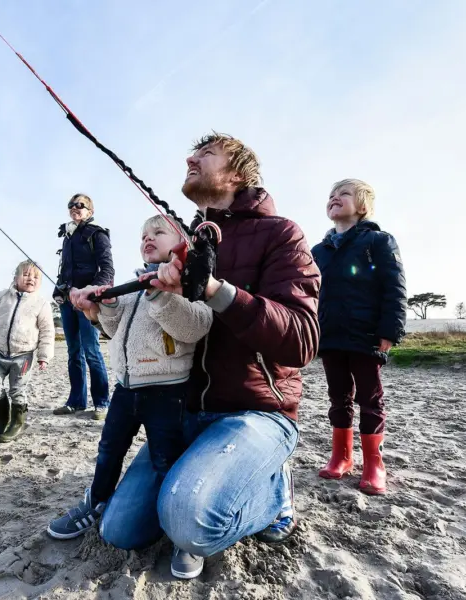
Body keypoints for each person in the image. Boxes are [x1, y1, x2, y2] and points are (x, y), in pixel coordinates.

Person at [73, 133, 321, 579]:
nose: (190, 157)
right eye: (192, 152)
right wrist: (98, 312)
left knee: (188, 522)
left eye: (206, 154)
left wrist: (215, 289)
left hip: (257, 412)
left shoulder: (281, 233)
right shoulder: (180, 241)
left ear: (238, 173)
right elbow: (148, 330)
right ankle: (196, 479)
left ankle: (271, 487)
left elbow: (302, 340)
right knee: (119, 529)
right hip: (179, 412)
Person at [47, 215, 212, 549]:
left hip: (167, 391)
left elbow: (194, 328)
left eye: (158, 232)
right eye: (143, 235)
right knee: (108, 449)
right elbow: (111, 328)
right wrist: (104, 306)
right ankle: (95, 502)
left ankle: (176, 526)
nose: (148, 238)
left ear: (181, 241)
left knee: (165, 459)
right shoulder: (134, 284)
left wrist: (162, 295)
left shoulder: (192, 282)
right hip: (126, 387)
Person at [310, 179, 407, 495]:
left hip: (366, 335)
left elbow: (394, 287)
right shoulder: (318, 251)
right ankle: (341, 456)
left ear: (362, 205)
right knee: (338, 398)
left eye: (344, 194)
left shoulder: (378, 241)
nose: (335, 198)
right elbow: (309, 294)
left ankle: (373, 465)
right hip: (330, 335)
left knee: (370, 399)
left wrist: (389, 331)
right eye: (331, 194)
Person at [0, 260, 55, 443]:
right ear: (15, 277)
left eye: (35, 277)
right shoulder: (2, 297)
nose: (30, 279)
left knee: (17, 390)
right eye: (26, 275)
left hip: (23, 356)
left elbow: (48, 331)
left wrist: (44, 356)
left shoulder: (41, 304)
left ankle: (18, 423)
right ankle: (3, 419)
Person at [52, 193, 114, 420]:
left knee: (91, 350)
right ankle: (76, 402)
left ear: (90, 211)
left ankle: (101, 403)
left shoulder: (97, 234)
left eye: (81, 205)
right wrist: (59, 290)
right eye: (71, 205)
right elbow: (65, 270)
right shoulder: (67, 236)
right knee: (73, 352)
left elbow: (107, 270)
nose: (75, 208)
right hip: (68, 302)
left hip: (87, 301)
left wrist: (91, 292)